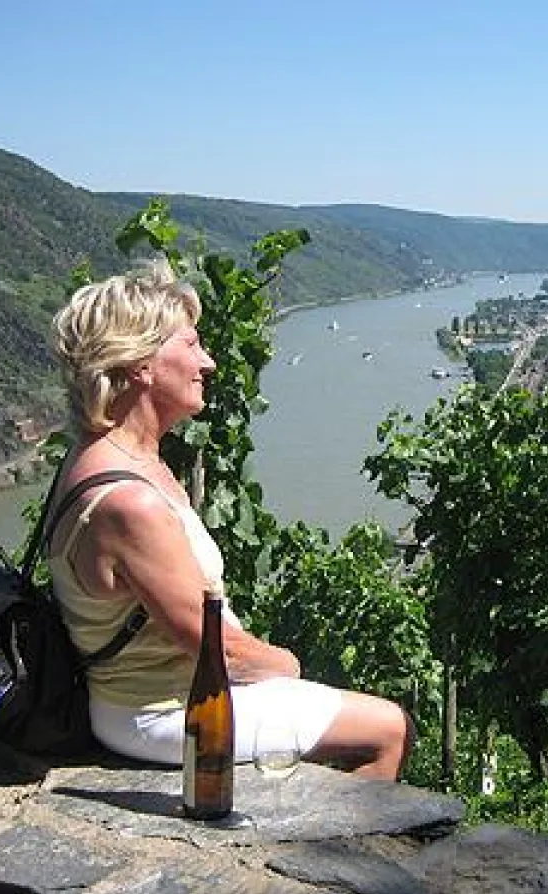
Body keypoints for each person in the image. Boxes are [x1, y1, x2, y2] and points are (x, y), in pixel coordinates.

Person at [48, 259, 411, 779]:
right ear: (140, 364)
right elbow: (221, 652)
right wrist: (290, 667)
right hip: (163, 712)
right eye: (192, 345)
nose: (210, 362)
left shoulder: (103, 458)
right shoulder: (132, 504)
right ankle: (333, 855)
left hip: (133, 698)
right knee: (388, 729)